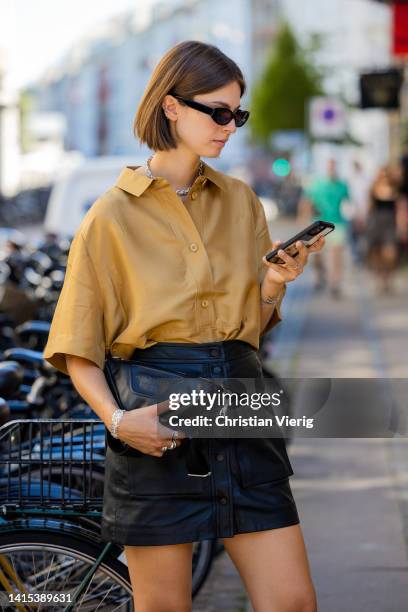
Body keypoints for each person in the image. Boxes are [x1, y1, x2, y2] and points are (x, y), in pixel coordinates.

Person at [43, 40, 325, 612]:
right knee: (166, 607)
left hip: (242, 409)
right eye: (218, 112)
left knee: (292, 602)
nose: (230, 126)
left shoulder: (242, 201)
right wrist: (120, 422)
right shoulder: (109, 217)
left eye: (237, 114)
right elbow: (77, 347)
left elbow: (251, 329)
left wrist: (274, 285)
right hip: (157, 426)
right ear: (171, 107)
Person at [298, 158, 350, 299]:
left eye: (334, 166)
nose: (332, 169)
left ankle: (335, 283)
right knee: (317, 256)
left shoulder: (342, 186)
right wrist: (303, 220)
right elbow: (306, 202)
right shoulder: (317, 185)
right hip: (318, 225)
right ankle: (321, 275)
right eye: (329, 166)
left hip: (337, 224)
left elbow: (348, 204)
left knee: (336, 254)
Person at [365, 164, 403, 294]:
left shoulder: (395, 188)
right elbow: (369, 208)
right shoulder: (373, 188)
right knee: (377, 254)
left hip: (390, 224)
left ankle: (388, 277)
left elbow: (398, 209)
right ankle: (381, 280)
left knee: (390, 254)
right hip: (376, 223)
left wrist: (401, 225)